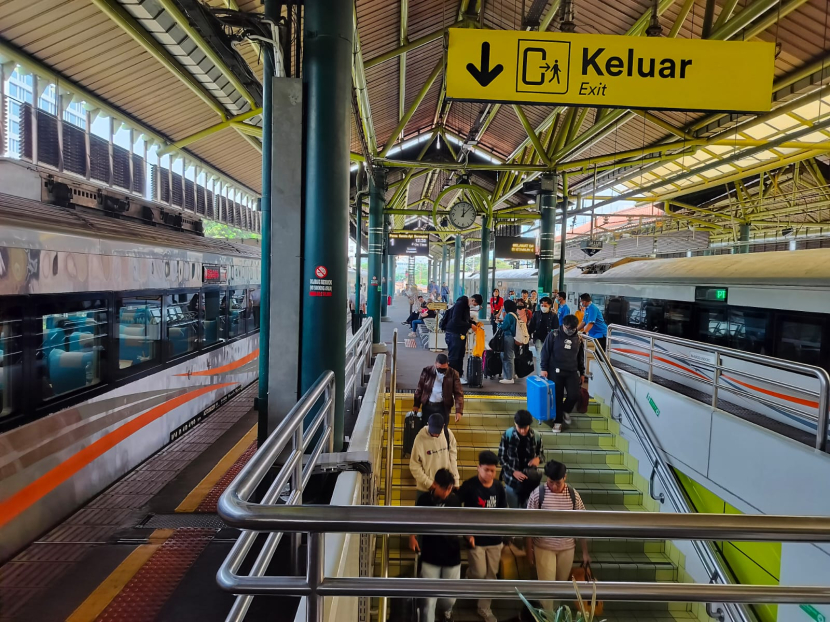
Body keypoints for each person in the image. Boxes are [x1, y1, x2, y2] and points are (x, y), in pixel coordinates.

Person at [525, 460, 591, 613]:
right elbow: (527, 525)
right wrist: (529, 551)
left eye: (558, 483)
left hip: (567, 548)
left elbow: (583, 524)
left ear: (565, 478)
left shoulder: (573, 496)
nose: (554, 486)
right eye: (550, 482)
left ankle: (555, 615)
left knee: (560, 586)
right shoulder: (538, 494)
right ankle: (547, 615)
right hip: (544, 547)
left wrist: (585, 552)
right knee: (547, 587)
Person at [458, 451, 508, 622]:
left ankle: (484, 607)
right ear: (478, 468)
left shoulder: (498, 488)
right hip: (475, 539)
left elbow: (503, 512)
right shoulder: (469, 486)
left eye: (493, 471)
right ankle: (469, 574)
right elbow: (458, 510)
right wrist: (467, 533)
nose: (490, 474)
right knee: (479, 573)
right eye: (486, 470)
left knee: (491, 574)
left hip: (494, 540)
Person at [409, 468, 463, 622]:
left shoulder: (455, 501)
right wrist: (412, 537)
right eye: (444, 488)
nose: (447, 492)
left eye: (449, 489)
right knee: (428, 600)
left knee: (450, 598)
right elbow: (413, 520)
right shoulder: (424, 500)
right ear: (435, 485)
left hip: (452, 555)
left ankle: (447, 611)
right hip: (430, 554)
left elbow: (462, 522)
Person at [540, 315, 586, 433]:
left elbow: (580, 357)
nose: (570, 330)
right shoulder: (554, 335)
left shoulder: (579, 339)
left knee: (574, 395)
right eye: (567, 328)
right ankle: (558, 422)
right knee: (558, 397)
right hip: (555, 371)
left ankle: (565, 410)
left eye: (572, 328)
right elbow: (545, 352)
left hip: (572, 372)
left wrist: (582, 372)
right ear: (563, 325)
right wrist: (544, 368)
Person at [498, 409, 543, 508]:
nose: (522, 431)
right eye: (520, 427)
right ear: (515, 423)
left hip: (530, 480)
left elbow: (541, 455)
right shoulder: (508, 435)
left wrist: (538, 459)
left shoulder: (536, 436)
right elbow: (501, 458)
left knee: (528, 509)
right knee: (513, 509)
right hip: (512, 480)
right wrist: (513, 472)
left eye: (525, 428)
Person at [410, 414, 460, 494]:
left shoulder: (448, 435)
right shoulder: (420, 438)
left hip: (445, 488)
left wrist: (455, 480)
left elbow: (453, 460)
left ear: (443, 426)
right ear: (428, 424)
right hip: (425, 489)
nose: (435, 434)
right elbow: (414, 465)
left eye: (438, 432)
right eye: (433, 431)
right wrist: (428, 483)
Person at [412, 353, 464, 426]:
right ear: (435, 364)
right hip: (428, 406)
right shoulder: (427, 371)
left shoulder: (453, 374)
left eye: (444, 369)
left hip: (443, 407)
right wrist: (416, 405)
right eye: (440, 369)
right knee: (426, 430)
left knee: (443, 431)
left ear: (447, 364)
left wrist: (458, 411)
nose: (442, 371)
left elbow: (458, 394)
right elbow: (420, 388)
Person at [441, 296, 474, 383]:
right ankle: (452, 377)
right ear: (472, 300)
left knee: (459, 355)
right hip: (454, 334)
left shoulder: (464, 306)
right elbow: (456, 320)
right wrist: (470, 325)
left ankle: (458, 375)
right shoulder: (460, 305)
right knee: (454, 357)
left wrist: (473, 323)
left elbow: (464, 320)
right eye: (475, 303)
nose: (474, 305)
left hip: (458, 334)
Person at [529, 296, 559, 376]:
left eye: (545, 306)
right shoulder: (536, 314)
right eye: (542, 305)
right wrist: (528, 336)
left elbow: (556, 329)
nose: (543, 307)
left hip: (549, 340)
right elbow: (531, 326)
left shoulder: (553, 316)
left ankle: (548, 374)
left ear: (549, 305)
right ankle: (541, 375)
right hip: (538, 338)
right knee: (540, 357)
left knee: (549, 357)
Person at [499, 299, 519, 385]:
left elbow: (504, 327)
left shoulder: (509, 315)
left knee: (508, 356)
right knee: (511, 356)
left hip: (508, 336)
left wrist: (499, 324)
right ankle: (512, 374)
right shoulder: (515, 314)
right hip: (514, 337)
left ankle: (509, 377)